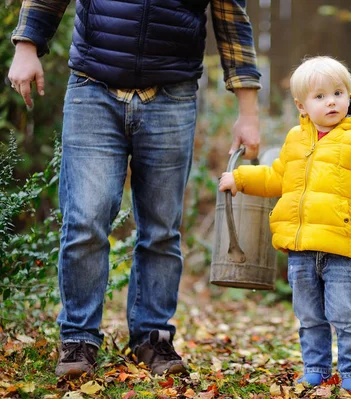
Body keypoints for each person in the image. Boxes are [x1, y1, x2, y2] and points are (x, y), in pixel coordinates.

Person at [7, 0, 261, 379]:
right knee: (85, 222)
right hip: (94, 89)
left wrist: (249, 111)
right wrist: (27, 44)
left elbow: (232, 19)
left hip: (172, 95)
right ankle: (79, 339)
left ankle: (152, 338)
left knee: (161, 229)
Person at [218, 56, 351, 393]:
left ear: (349, 94)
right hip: (300, 248)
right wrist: (240, 178)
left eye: (338, 93)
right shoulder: (296, 140)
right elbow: (277, 177)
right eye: (320, 96)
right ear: (301, 105)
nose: (331, 101)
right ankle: (315, 367)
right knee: (309, 314)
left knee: (345, 314)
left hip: (342, 247)